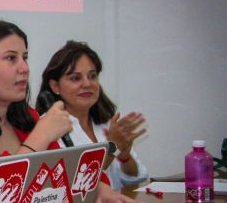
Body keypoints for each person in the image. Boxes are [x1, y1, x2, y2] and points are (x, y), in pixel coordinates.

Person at [0, 19, 140, 203]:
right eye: (11, 58)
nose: (24, 68)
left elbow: (62, 174)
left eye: (25, 57)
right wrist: (40, 138)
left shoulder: (24, 117)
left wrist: (98, 187)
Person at [36, 40, 148, 190]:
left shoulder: (107, 123)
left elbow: (135, 180)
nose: (87, 84)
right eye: (76, 78)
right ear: (55, 86)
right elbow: (77, 186)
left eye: (92, 76)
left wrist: (125, 156)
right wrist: (113, 148)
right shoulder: (47, 128)